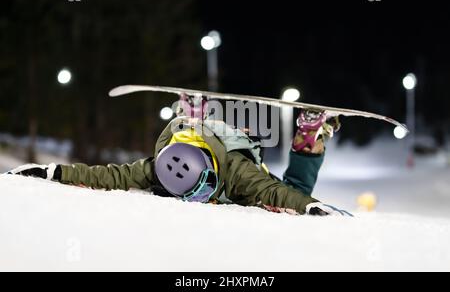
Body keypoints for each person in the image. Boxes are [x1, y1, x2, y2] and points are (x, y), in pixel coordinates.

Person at [8, 99, 348, 217]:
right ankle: (194, 114)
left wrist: (309, 206)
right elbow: (107, 176)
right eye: (193, 195)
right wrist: (52, 172)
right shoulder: (158, 169)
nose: (202, 200)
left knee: (294, 186)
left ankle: (308, 137)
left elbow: (277, 194)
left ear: (212, 170)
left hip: (233, 144)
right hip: (203, 133)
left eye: (203, 190)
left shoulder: (236, 171)